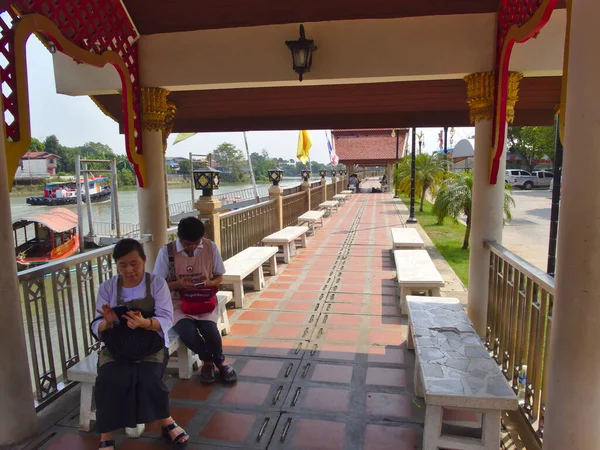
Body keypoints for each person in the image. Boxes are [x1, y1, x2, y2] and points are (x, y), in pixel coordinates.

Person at [91, 239, 189, 450]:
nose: (129, 270)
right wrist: (107, 322)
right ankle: (105, 433)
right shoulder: (107, 287)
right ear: (116, 265)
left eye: (134, 263)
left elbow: (166, 318)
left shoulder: (156, 284)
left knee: (149, 378)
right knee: (108, 379)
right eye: (123, 265)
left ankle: (166, 420)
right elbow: (97, 324)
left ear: (144, 261)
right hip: (116, 346)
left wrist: (145, 323)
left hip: (150, 344)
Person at [153, 217, 237, 384]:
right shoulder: (166, 252)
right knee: (187, 332)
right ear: (179, 238)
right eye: (187, 244)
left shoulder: (210, 247)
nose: (191, 247)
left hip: (204, 300)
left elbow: (219, 276)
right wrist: (179, 284)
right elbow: (158, 285)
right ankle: (208, 360)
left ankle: (219, 361)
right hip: (178, 303)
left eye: (195, 243)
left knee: (210, 331)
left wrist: (209, 283)